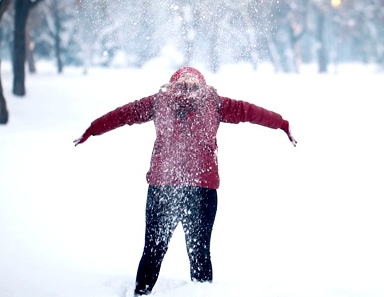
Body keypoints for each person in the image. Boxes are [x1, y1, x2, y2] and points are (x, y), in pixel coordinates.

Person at [73, 66, 296, 296]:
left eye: (192, 85)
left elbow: (250, 111)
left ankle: (150, 292)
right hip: (174, 189)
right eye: (183, 85)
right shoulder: (188, 103)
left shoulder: (201, 103)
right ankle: (145, 293)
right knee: (175, 252)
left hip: (189, 190)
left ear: (201, 87)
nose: (187, 90)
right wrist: (93, 129)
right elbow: (122, 115)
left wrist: (282, 124)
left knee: (179, 252)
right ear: (173, 87)